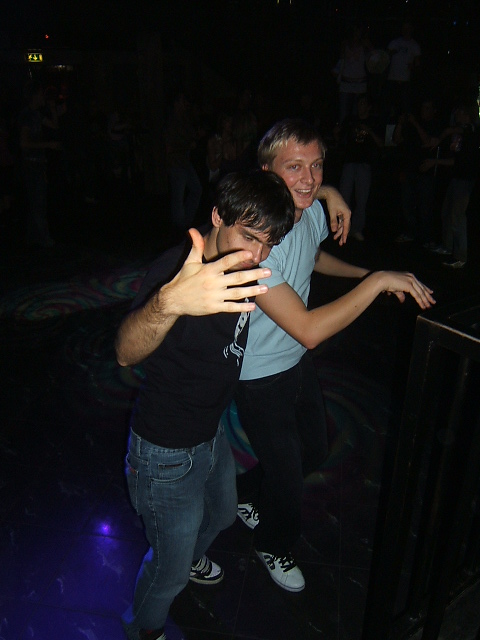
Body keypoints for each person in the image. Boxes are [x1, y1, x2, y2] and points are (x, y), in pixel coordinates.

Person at [231, 118, 436, 593]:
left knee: (315, 449)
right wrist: (377, 282)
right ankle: (273, 544)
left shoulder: (307, 211)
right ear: (267, 172)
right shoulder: (257, 243)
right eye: (295, 167)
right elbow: (308, 331)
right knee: (287, 475)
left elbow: (314, 256)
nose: (309, 179)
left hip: (293, 362)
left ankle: (244, 493)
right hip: (258, 373)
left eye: (317, 166)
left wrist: (363, 271)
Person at [115, 170, 295, 640]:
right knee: (168, 572)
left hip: (210, 432)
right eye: (249, 236)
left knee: (221, 515)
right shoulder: (176, 271)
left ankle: (187, 557)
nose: (257, 255)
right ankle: (143, 629)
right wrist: (171, 302)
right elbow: (125, 352)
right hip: (164, 451)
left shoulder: (243, 265)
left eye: (269, 244)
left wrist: (328, 194)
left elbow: (299, 193)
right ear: (217, 216)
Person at [421, 102, 480, 269]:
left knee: (457, 216)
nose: (456, 115)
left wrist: (442, 136)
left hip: (465, 179)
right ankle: (447, 247)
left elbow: (456, 136)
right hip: (456, 178)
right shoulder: (459, 134)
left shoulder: (471, 131)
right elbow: (454, 159)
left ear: (467, 114)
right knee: (446, 212)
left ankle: (461, 256)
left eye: (460, 112)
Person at [392, 98, 443, 245]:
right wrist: (400, 124)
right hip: (409, 170)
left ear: (433, 110)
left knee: (425, 208)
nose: (423, 111)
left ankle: (426, 238)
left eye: (427, 108)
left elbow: (427, 141)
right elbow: (396, 140)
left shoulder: (434, 125)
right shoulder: (410, 126)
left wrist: (415, 123)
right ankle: (410, 233)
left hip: (425, 173)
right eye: (423, 107)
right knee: (407, 205)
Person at [18, 79, 62, 248]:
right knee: (38, 201)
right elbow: (24, 143)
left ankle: (33, 237)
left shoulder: (37, 114)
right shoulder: (26, 115)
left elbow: (54, 126)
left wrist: (52, 108)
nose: (43, 96)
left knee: (37, 200)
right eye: (41, 94)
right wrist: (48, 144)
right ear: (35, 95)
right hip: (31, 164)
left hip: (38, 163)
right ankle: (43, 238)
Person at [335, 93, 383, 241]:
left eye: (363, 104)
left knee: (361, 199)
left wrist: (369, 131)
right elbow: (340, 137)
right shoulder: (350, 120)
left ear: (368, 107)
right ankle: (343, 227)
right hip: (349, 162)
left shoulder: (374, 122)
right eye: (359, 103)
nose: (360, 106)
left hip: (364, 164)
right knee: (344, 196)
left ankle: (357, 229)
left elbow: (381, 143)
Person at [165, 92, 203, 234]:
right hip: (176, 162)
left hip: (185, 161)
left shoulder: (184, 118)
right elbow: (169, 147)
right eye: (182, 101)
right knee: (178, 197)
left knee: (196, 189)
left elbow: (190, 136)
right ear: (176, 103)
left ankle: (185, 224)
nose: (185, 104)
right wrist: (187, 146)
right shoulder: (171, 121)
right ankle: (179, 230)